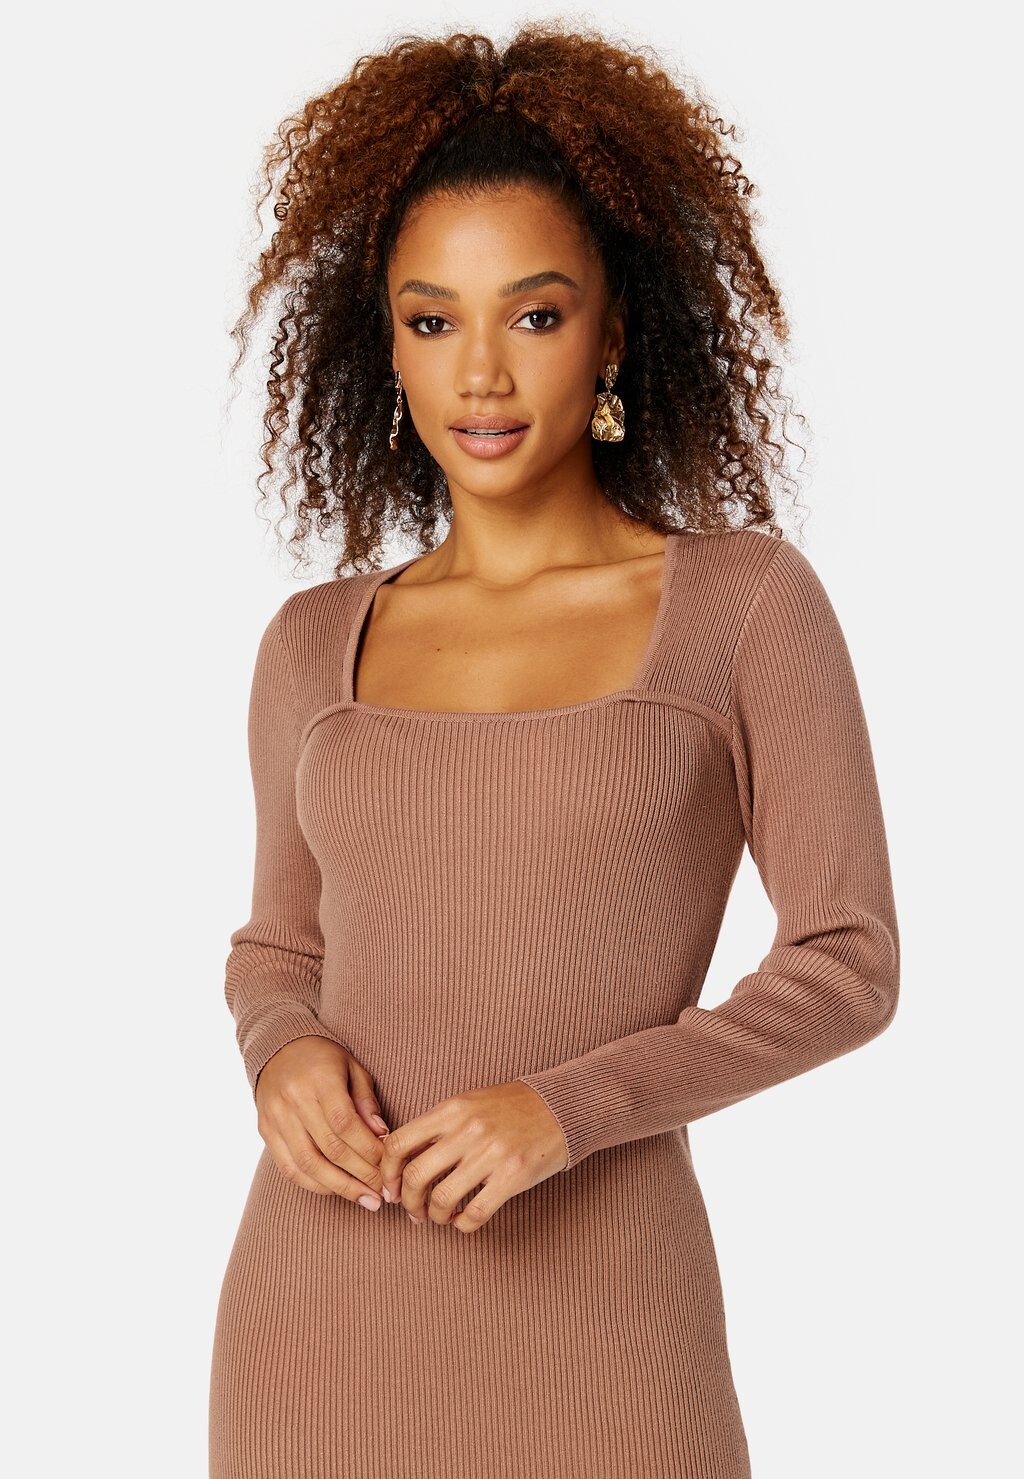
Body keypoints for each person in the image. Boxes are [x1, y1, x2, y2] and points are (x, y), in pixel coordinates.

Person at [209, 23, 899, 1479]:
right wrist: (282, 1054)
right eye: (431, 319)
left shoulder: (744, 605)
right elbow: (279, 948)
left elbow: (847, 963)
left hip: (612, 1326)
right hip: (318, 1322)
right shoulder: (312, 642)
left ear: (614, 333)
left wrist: (566, 1112)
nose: (480, 373)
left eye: (532, 314)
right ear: (386, 345)